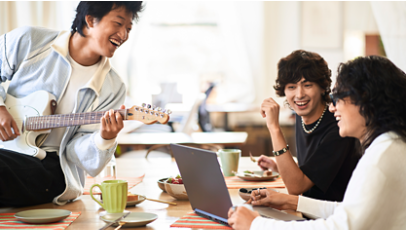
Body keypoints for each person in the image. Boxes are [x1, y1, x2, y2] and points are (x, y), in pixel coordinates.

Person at [228, 55, 406, 229]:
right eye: (291, 86)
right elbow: (346, 210)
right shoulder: (389, 146)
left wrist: (256, 224)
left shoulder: (378, 159)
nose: (332, 107)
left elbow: (340, 225)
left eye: (339, 98)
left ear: (366, 102)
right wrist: (289, 201)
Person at [0, 1, 143, 207]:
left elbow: (77, 153)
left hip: (52, 168)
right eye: (118, 24)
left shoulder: (113, 87)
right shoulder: (30, 40)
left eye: (128, 28)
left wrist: (104, 138)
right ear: (91, 19)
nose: (124, 35)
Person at [257, 50, 360, 202]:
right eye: (292, 87)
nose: (299, 95)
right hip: (308, 207)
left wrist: (274, 128)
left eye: (307, 85)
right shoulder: (303, 114)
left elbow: (296, 187)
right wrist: (278, 167)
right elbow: (312, 169)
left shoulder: (339, 126)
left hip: (331, 216)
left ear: (322, 87)